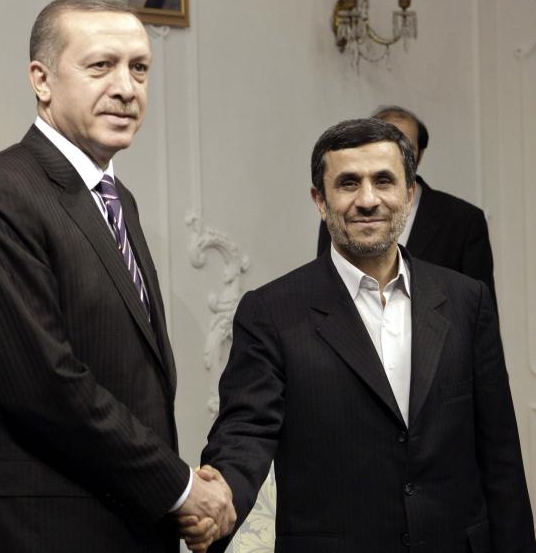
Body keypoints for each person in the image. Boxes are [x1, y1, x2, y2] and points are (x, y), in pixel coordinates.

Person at [0, 0, 234, 553]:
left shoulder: (118, 199)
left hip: (125, 523)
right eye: (101, 66)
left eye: (139, 68)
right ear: (42, 80)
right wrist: (179, 488)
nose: (127, 88)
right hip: (34, 531)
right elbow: (44, 384)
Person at [189, 118, 535, 552]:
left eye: (384, 181)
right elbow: (246, 432)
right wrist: (219, 499)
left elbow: (501, 456)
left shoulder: (467, 301)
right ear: (320, 200)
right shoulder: (272, 312)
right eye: (348, 183)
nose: (368, 200)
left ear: (408, 194)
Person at [317, 106, 498, 310]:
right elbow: (324, 288)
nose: (395, 156)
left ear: (419, 153)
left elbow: (479, 309)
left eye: (405, 148)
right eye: (382, 145)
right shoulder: (342, 212)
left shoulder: (463, 219)